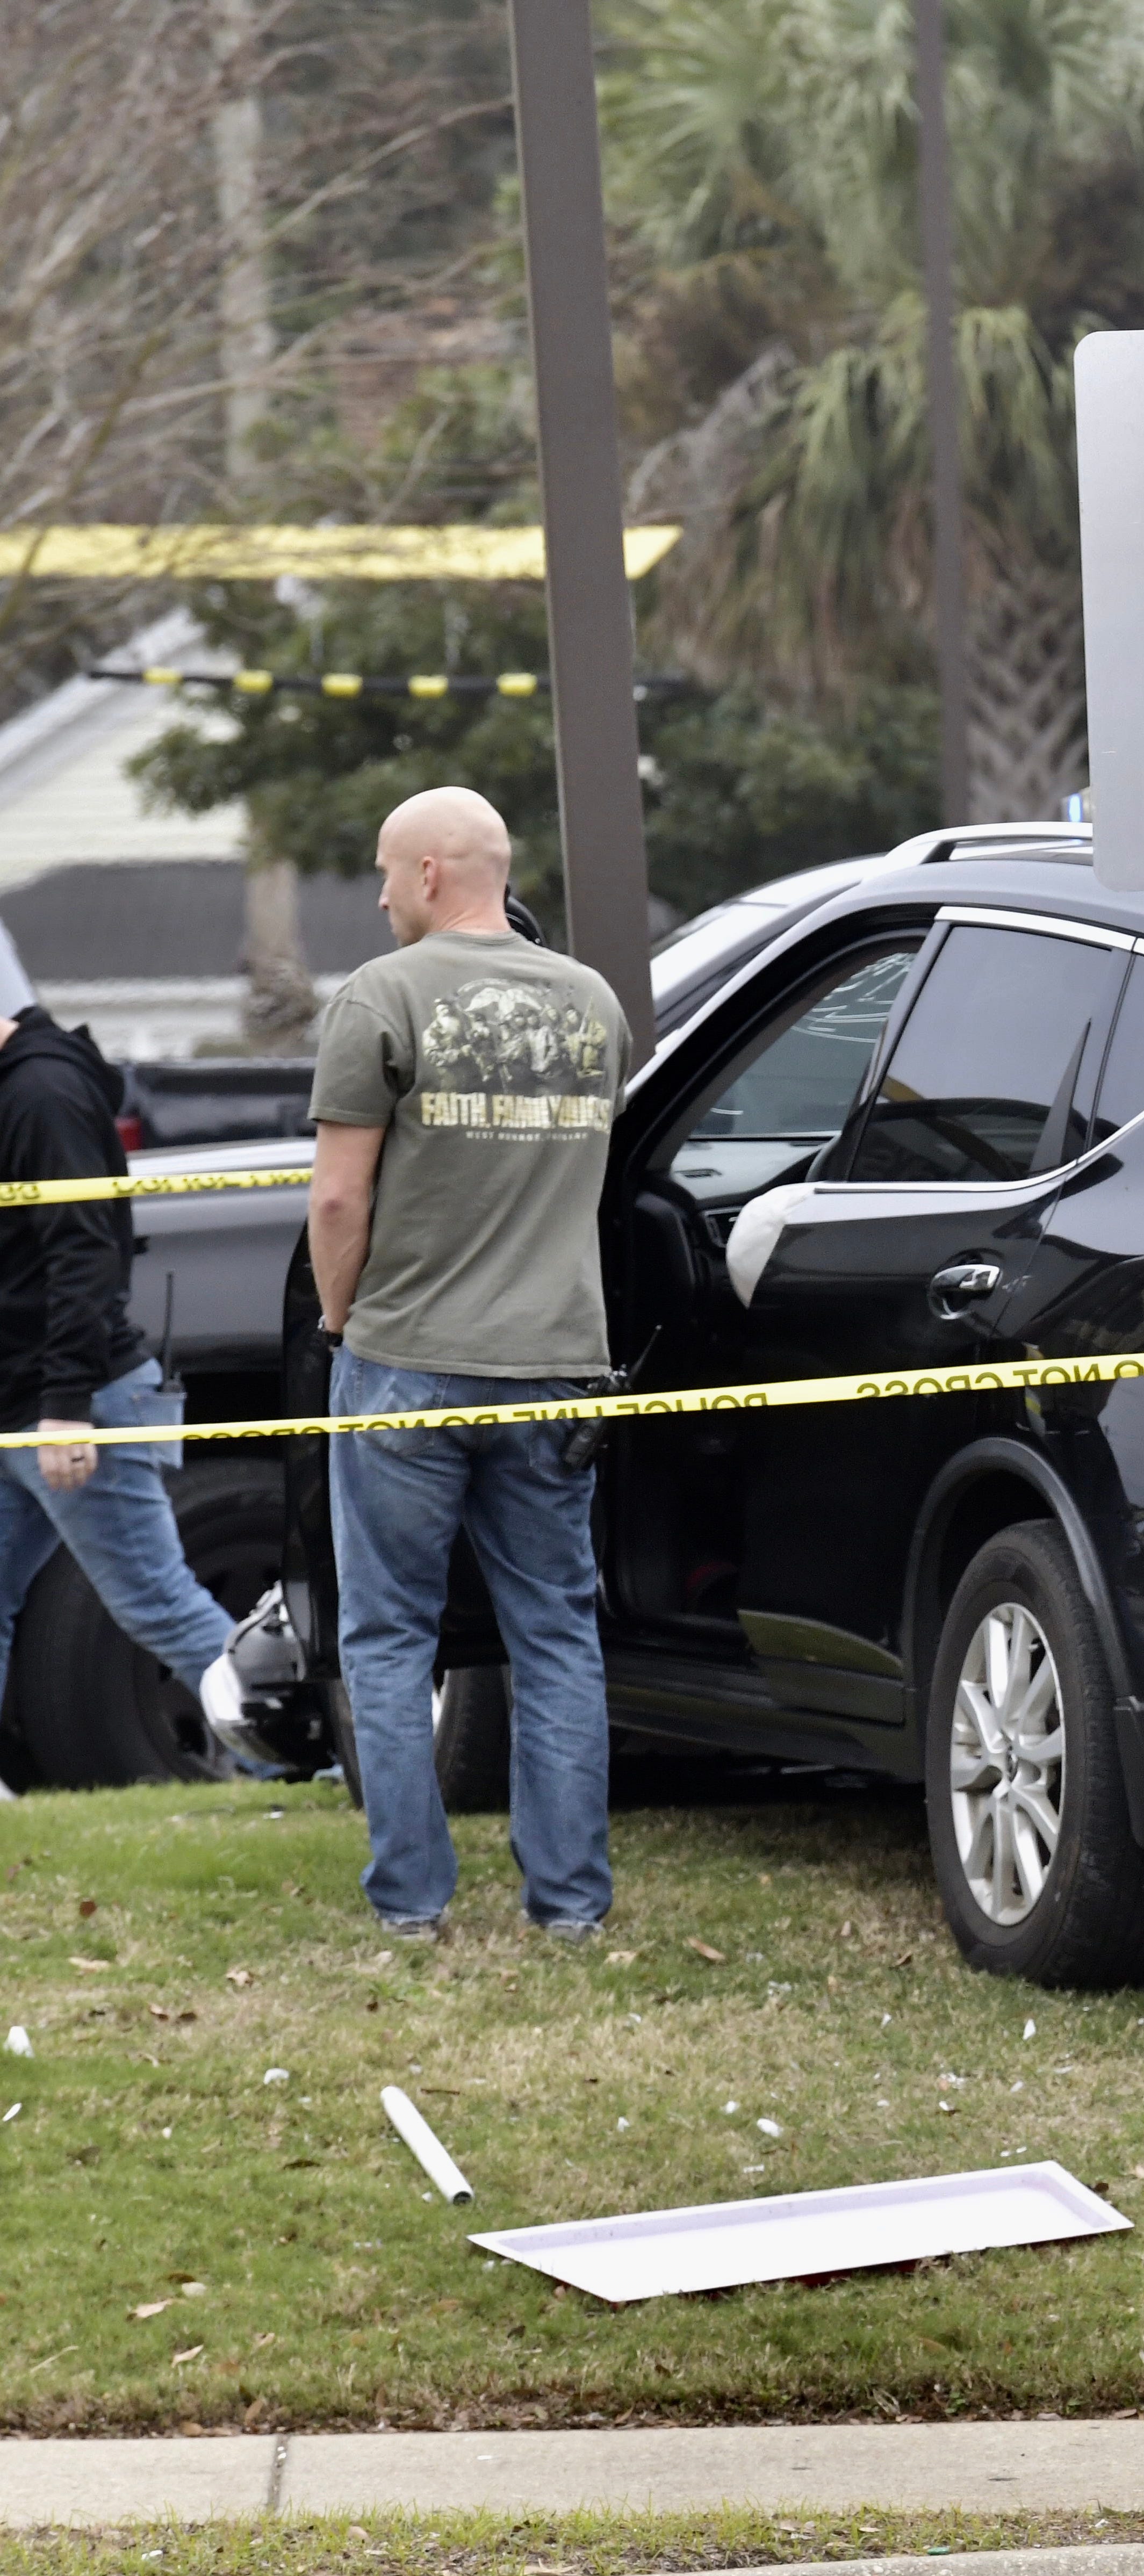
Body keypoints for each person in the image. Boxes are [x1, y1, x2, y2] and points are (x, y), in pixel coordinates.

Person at [308, 786, 630, 1937]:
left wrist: (343, 1323)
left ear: (436, 874)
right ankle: (571, 1908)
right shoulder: (592, 1002)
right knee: (555, 1631)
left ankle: (411, 1903)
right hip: (555, 1364)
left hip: (406, 1358)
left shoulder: (380, 997)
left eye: (390, 871)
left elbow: (341, 1192)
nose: (384, 892)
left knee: (388, 1637)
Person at [0, 955, 235, 1758]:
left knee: (155, 1603)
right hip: (24, 1400)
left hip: (79, 1401)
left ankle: (303, 1756)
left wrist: (65, 1405)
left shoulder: (41, 1096)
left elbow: (85, 1256)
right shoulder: (24, 1089)